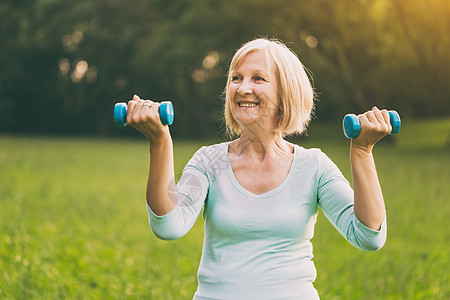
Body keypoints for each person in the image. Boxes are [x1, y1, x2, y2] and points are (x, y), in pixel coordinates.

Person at [126, 38, 389, 300]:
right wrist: (159, 141)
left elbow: (368, 236)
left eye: (258, 79)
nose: (243, 88)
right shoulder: (210, 163)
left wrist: (362, 151)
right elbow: (170, 225)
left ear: (285, 93)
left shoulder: (313, 167)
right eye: (236, 78)